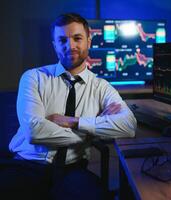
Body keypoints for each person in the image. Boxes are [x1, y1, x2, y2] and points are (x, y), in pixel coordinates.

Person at [0, 13, 136, 200]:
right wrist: (91, 131)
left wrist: (74, 122)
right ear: (55, 45)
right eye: (62, 40)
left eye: (77, 38)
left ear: (89, 41)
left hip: (72, 170)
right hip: (26, 165)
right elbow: (34, 131)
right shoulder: (33, 77)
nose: (70, 45)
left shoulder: (101, 87)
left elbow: (129, 126)